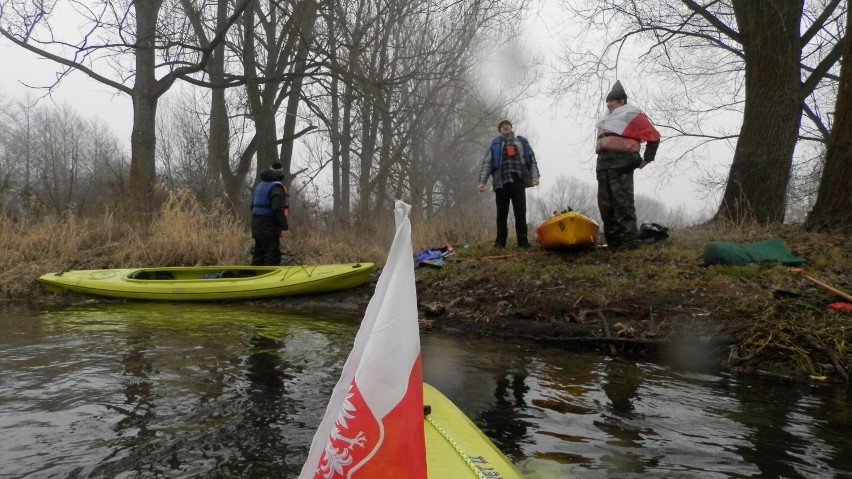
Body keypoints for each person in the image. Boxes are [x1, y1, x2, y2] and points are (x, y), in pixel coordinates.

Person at [595, 81, 660, 252]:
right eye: (607, 101)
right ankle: (613, 242)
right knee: (605, 206)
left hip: (621, 166)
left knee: (622, 204)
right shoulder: (605, 119)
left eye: (613, 101)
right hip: (603, 166)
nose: (609, 104)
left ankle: (629, 242)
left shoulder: (632, 115)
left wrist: (647, 159)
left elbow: (654, 136)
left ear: (621, 102)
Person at [477, 118, 540, 249]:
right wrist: (482, 182)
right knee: (502, 214)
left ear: (511, 127)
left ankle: (523, 242)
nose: (505, 127)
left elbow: (531, 160)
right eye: (502, 126)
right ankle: (500, 242)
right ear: (499, 130)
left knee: (520, 212)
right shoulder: (495, 144)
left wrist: (535, 176)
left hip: (518, 181)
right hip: (501, 183)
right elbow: (487, 164)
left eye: (507, 125)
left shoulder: (521, 142)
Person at [251, 163, 290, 265]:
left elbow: (252, 206)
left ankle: (253, 275)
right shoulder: (277, 188)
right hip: (268, 225)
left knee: (259, 253)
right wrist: (284, 228)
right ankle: (268, 277)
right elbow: (277, 209)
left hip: (256, 223)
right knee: (272, 254)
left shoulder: (260, 186)